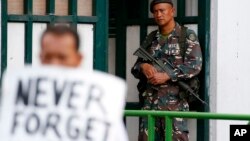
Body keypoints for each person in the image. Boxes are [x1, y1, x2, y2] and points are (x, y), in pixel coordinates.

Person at [131, 0, 203, 141]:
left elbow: (194, 66)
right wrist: (143, 67)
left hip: (175, 106)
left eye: (163, 10)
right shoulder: (151, 38)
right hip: (150, 105)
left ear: (172, 11)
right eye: (156, 11)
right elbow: (135, 68)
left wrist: (167, 75)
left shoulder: (186, 36)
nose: (159, 14)